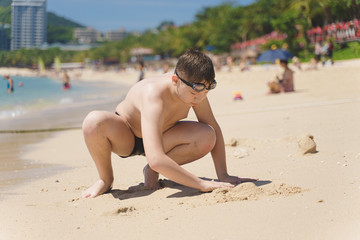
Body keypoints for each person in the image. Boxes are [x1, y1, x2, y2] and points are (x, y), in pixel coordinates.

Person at [81, 49, 257, 198]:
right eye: (195, 93)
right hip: (127, 136)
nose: (201, 98)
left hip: (164, 137)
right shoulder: (154, 95)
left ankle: (150, 171)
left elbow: (214, 128)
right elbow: (156, 158)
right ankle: (105, 179)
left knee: (208, 135)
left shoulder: (198, 89)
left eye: (207, 90)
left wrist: (223, 175)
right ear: (175, 81)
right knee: (93, 121)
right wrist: (200, 184)